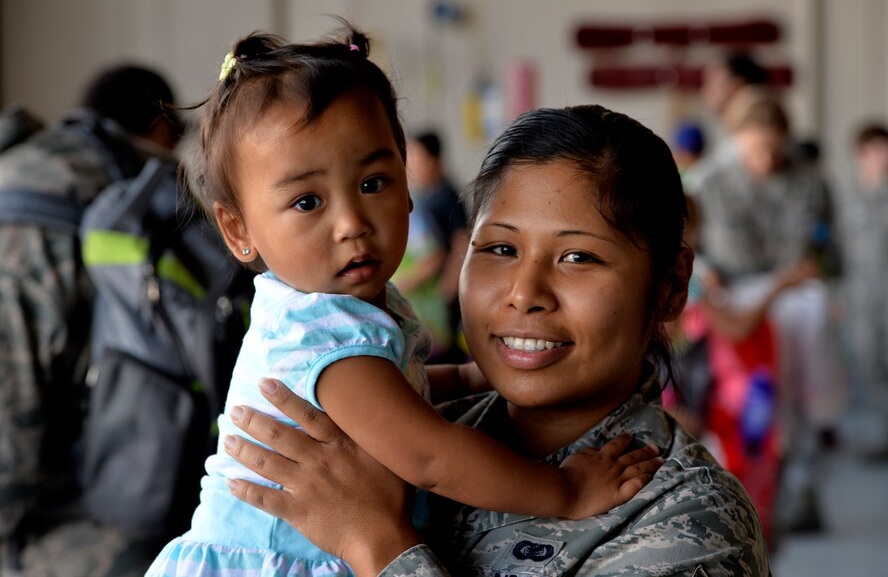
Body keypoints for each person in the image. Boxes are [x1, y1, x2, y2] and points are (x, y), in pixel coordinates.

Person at [147, 30, 661, 577]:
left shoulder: (340, 309)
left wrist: (461, 378)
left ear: (407, 181)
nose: (351, 224)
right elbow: (431, 456)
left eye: (373, 182)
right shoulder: (322, 333)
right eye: (306, 201)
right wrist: (566, 490)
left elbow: (383, 396)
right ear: (237, 227)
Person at [222, 105, 772, 575]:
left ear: (672, 285)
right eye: (500, 249)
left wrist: (377, 545)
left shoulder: (688, 521)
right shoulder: (416, 428)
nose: (523, 294)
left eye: (578, 258)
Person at [0, 65, 182, 576]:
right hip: (173, 521)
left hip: (57, 537)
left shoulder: (25, 186)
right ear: (162, 124)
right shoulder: (168, 192)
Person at [693, 96, 845, 535]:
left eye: (773, 151)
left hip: (794, 291)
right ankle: (734, 478)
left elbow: (830, 250)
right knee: (743, 390)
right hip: (734, 292)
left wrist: (820, 270)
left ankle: (802, 465)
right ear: (735, 142)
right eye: (754, 151)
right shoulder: (710, 180)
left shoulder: (811, 182)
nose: (764, 161)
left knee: (802, 356)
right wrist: (706, 285)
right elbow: (688, 253)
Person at [834, 123, 888, 456]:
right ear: (859, 155)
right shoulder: (846, 200)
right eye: (873, 150)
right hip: (859, 299)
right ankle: (879, 434)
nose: (880, 157)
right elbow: (836, 253)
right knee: (867, 367)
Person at [392, 131, 469, 362]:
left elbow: (461, 240)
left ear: (435, 159)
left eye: (418, 158)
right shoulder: (426, 195)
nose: (412, 165)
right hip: (435, 289)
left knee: (450, 347)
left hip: (447, 286)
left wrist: (449, 283)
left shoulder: (446, 195)